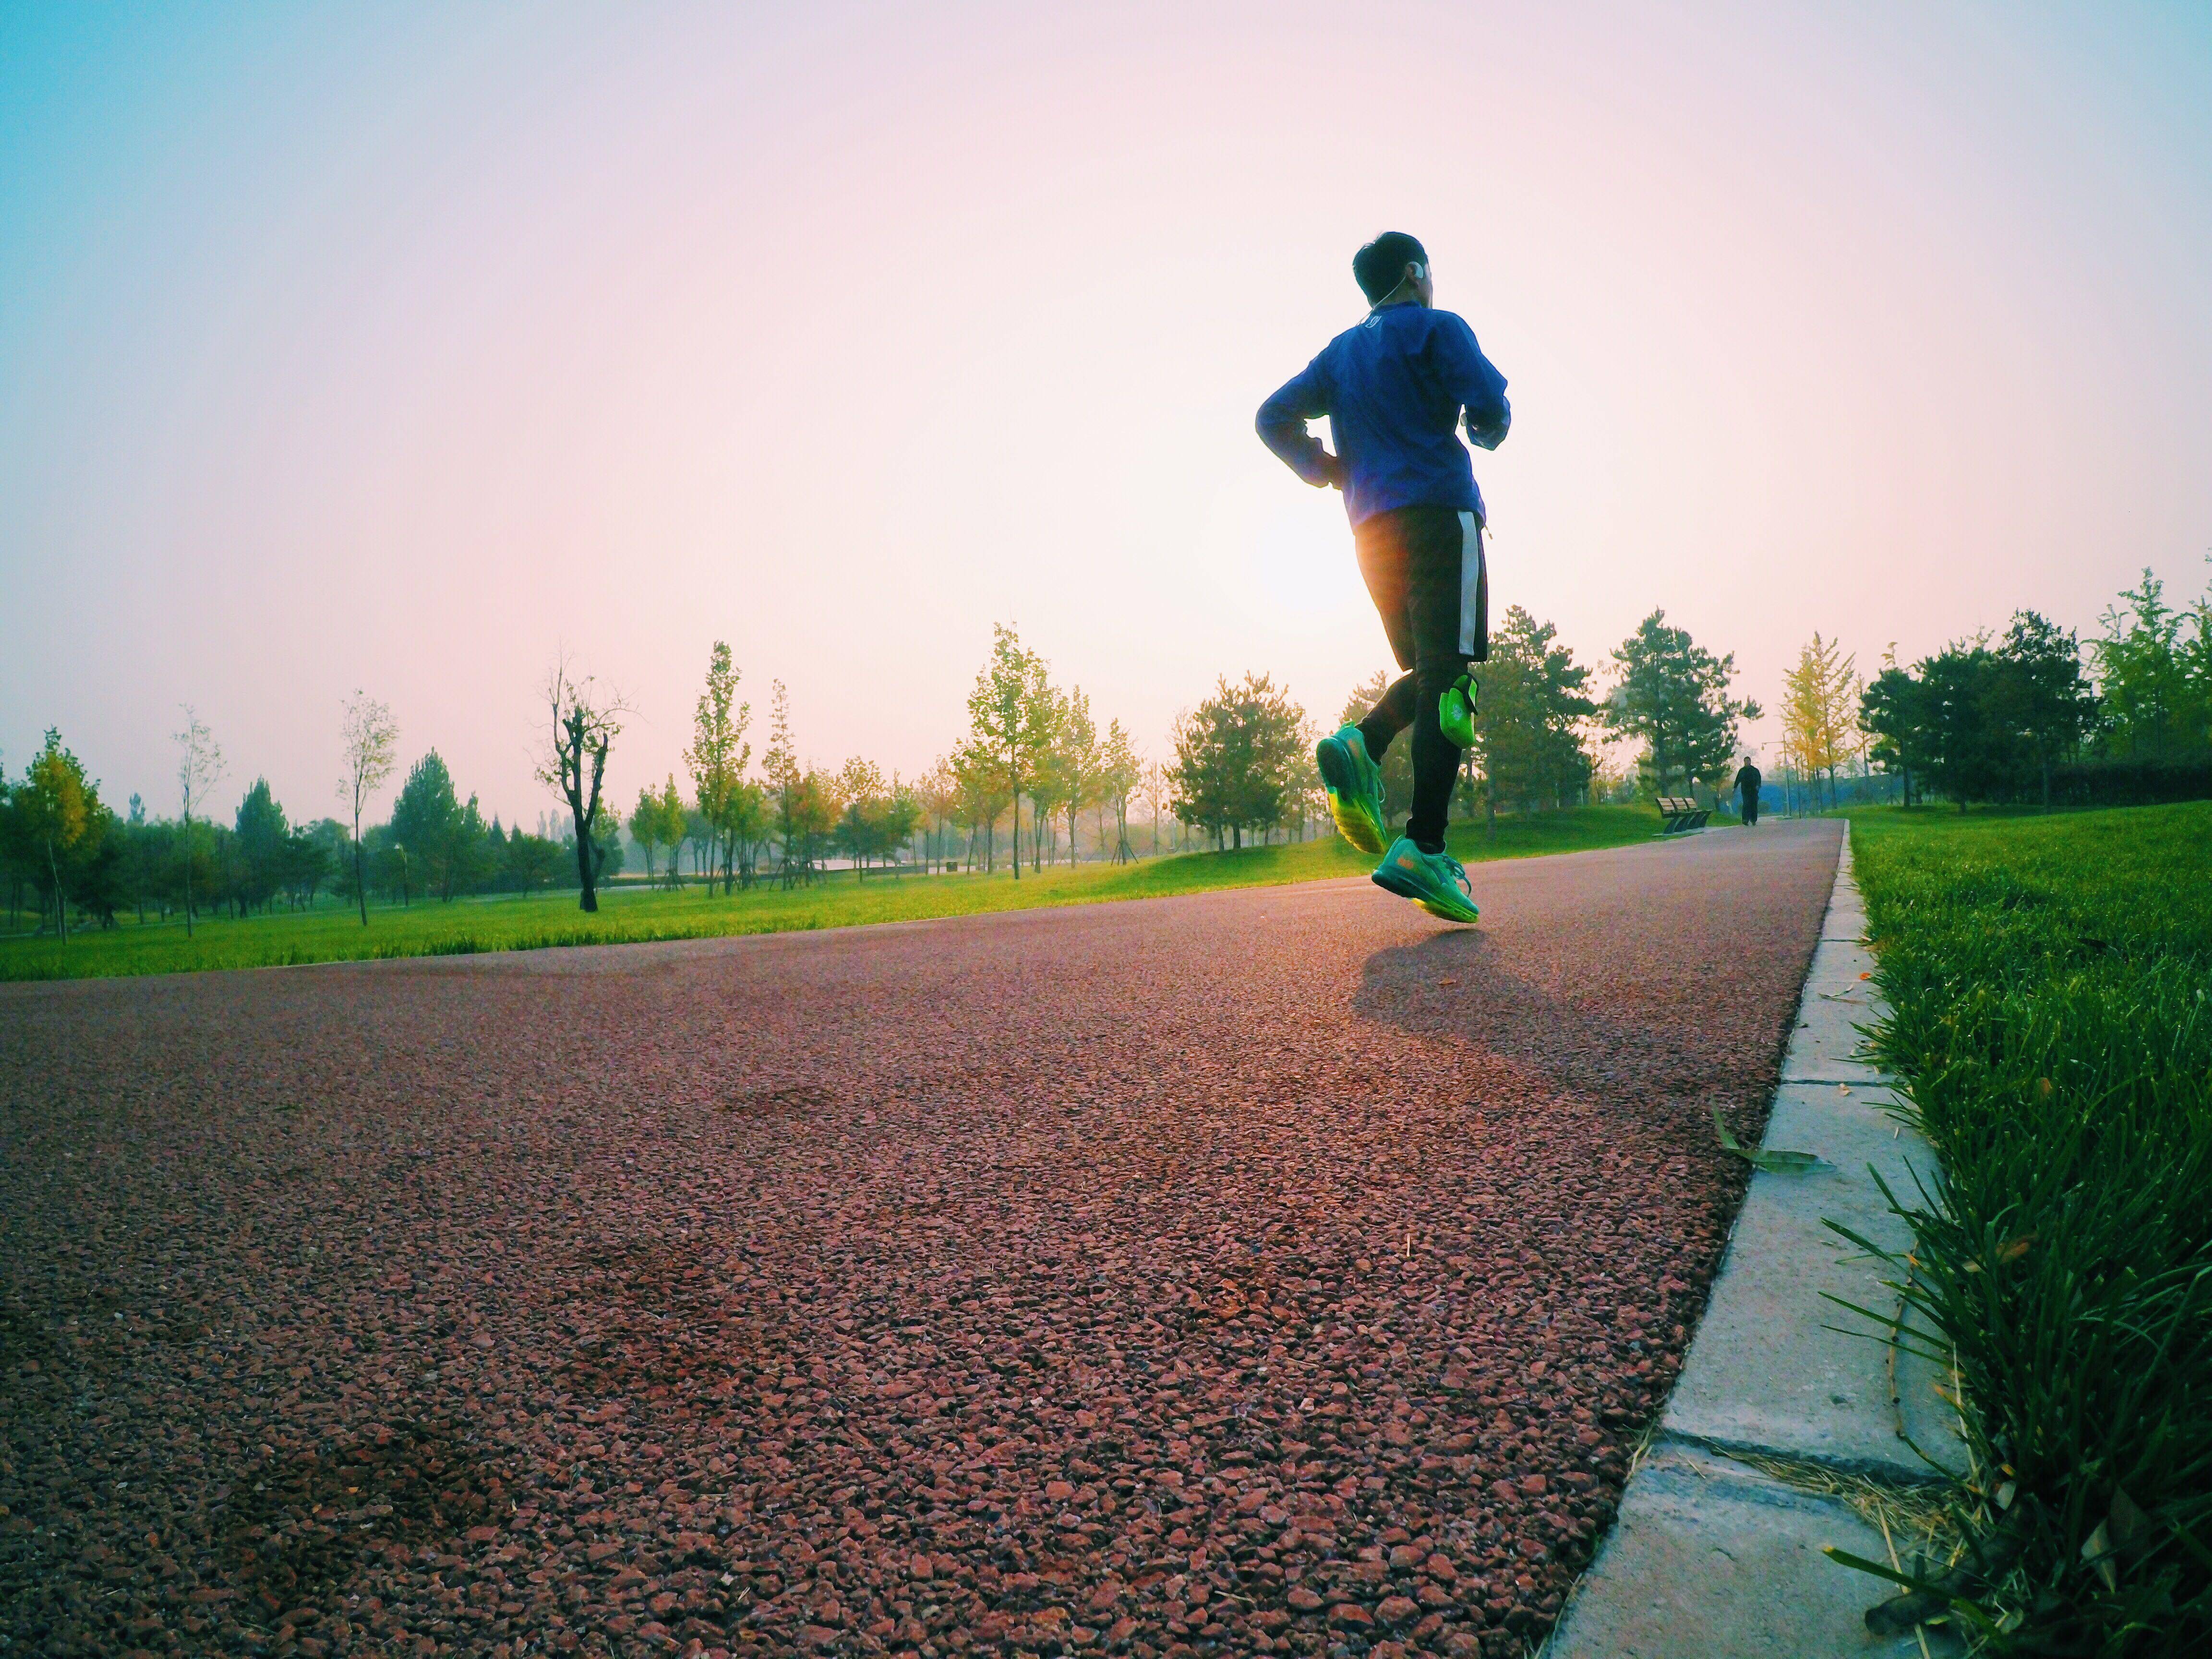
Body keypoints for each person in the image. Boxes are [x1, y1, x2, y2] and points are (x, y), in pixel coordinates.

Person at [1256, 231, 1510, 923]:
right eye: (1430, 273)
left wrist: (1326, 468)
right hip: (1439, 516)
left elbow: (1271, 417)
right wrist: (1486, 428)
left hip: (1371, 534)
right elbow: (1488, 404)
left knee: (1434, 674)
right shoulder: (1437, 329)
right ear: (1413, 273)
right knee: (1451, 685)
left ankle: (1359, 745)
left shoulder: (1339, 354)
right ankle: (1423, 843)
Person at [1733, 757, 1763, 827]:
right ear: (1744, 762)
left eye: (1748, 761)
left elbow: (1759, 779)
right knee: (1746, 804)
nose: (1746, 762)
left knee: (1754, 805)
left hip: (1754, 791)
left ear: (1750, 762)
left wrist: (1758, 786)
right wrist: (1735, 788)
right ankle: (1745, 820)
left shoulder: (1755, 771)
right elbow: (1738, 780)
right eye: (1745, 761)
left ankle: (1753, 820)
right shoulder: (1742, 771)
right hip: (1745, 791)